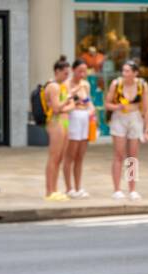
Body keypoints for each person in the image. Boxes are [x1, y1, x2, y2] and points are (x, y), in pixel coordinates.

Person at [105, 59, 148, 200]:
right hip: (119, 118)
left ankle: (132, 189)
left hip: (135, 118)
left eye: (127, 71)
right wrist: (116, 107)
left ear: (135, 73)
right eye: (123, 70)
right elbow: (107, 104)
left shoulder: (142, 85)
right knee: (119, 154)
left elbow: (146, 109)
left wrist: (146, 129)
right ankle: (117, 189)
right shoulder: (116, 84)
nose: (124, 73)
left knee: (133, 156)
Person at [41, 58, 73, 201]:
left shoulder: (62, 86)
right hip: (55, 122)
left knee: (60, 157)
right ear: (57, 72)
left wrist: (65, 105)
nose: (67, 76)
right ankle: (49, 190)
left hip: (64, 121)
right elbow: (56, 108)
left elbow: (71, 106)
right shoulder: (53, 86)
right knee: (54, 157)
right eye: (65, 73)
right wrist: (66, 103)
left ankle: (55, 189)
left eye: (68, 73)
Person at [62, 58, 93, 197]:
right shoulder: (67, 84)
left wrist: (91, 111)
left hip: (84, 117)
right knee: (71, 154)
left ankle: (78, 186)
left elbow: (89, 102)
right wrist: (73, 94)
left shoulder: (85, 85)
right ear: (73, 70)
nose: (82, 74)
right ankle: (69, 188)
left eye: (84, 71)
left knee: (80, 155)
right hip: (72, 117)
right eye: (80, 71)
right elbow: (64, 102)